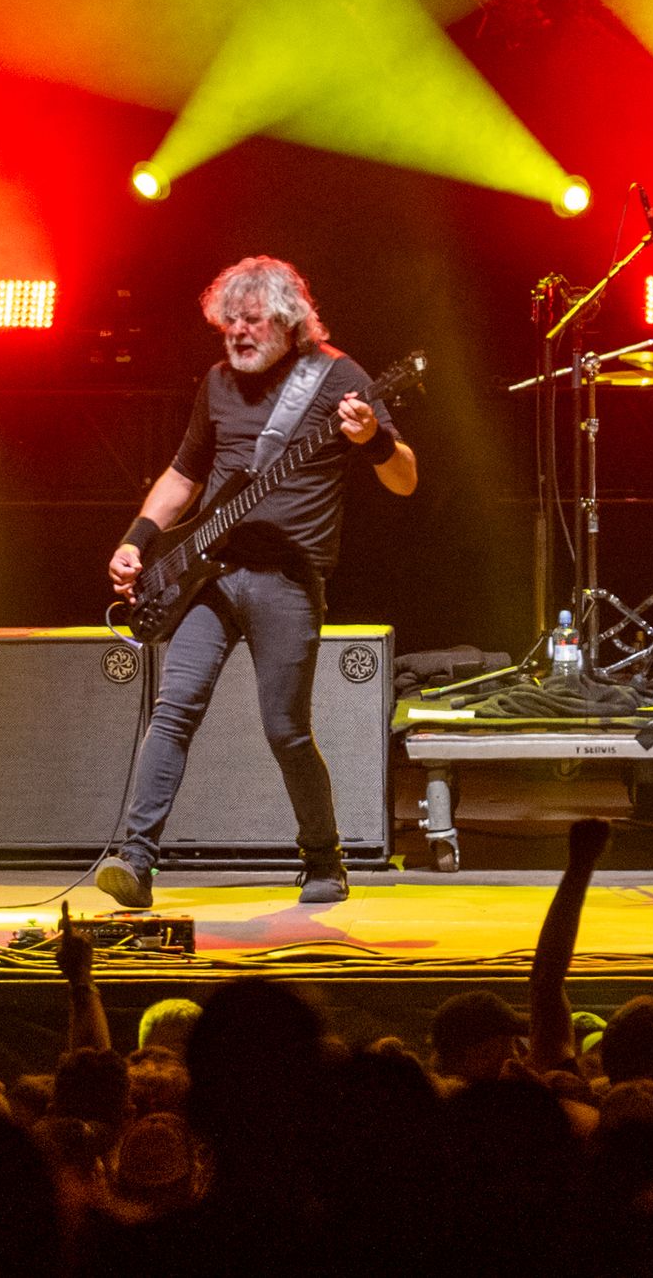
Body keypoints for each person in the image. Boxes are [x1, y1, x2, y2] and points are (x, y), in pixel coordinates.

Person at [95, 256, 418, 909]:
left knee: (285, 728)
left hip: (288, 582)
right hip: (206, 576)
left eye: (251, 320)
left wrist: (373, 440)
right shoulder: (216, 382)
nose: (237, 333)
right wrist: (137, 539)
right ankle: (136, 859)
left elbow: (406, 477)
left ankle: (324, 859)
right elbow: (185, 474)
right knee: (174, 709)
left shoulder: (339, 377)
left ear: (289, 321)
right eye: (228, 322)